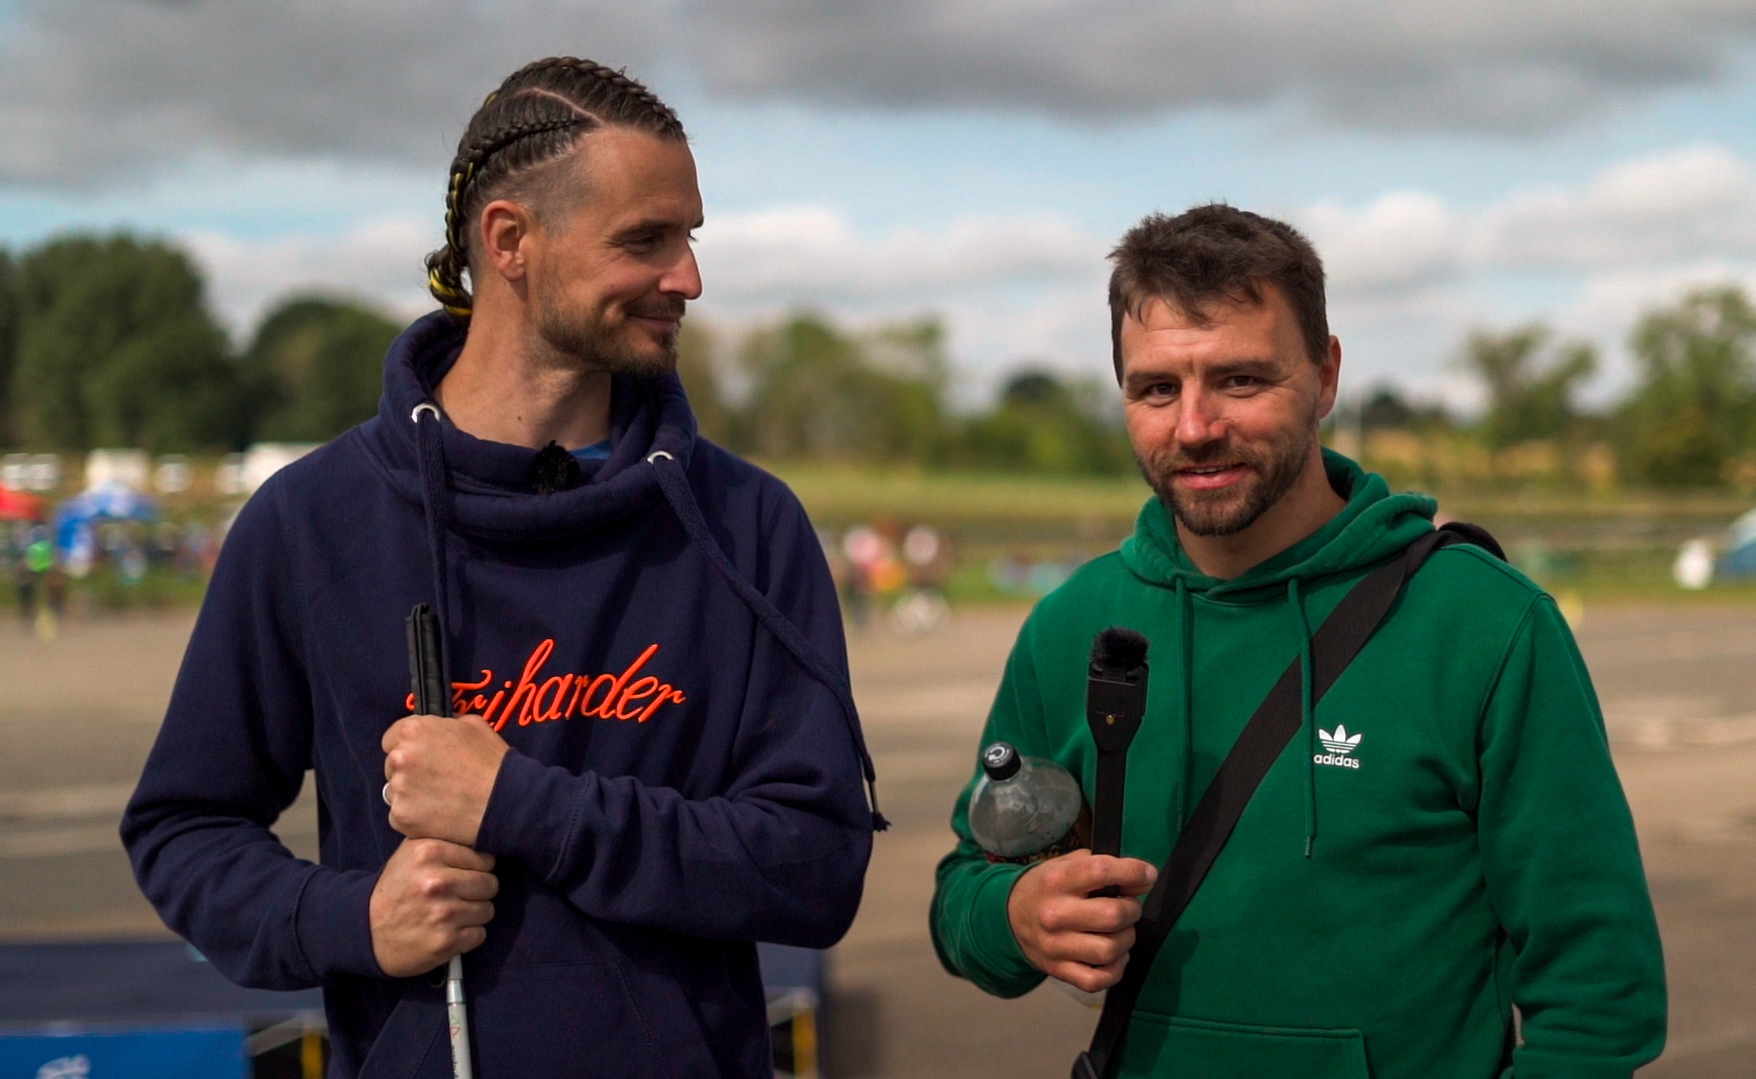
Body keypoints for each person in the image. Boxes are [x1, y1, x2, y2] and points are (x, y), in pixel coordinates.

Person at [122, 58, 879, 1078]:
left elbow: (817, 866)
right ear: (510, 240)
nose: (688, 278)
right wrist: (352, 917)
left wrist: (521, 802)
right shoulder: (310, 521)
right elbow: (183, 827)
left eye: (690, 237)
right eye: (645, 241)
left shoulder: (747, 525)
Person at [931, 205, 1665, 1078]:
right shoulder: (1073, 622)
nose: (1195, 426)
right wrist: (1015, 915)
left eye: (1240, 379)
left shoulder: (1485, 625)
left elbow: (1600, 995)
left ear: (1326, 376)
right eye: (1156, 389)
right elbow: (964, 889)